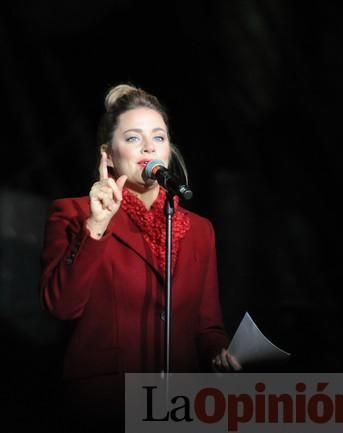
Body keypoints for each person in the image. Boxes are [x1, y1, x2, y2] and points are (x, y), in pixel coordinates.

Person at [40, 84, 240, 430]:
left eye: (158, 137)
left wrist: (218, 353)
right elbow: (61, 306)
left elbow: (207, 325)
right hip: (107, 405)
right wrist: (96, 227)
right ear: (108, 154)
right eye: (133, 138)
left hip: (178, 406)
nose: (149, 146)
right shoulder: (73, 214)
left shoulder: (199, 230)